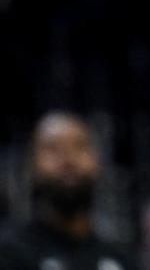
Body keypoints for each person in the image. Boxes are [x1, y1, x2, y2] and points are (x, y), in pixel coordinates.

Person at [0, 112, 137, 270]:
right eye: (53, 148)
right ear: (31, 167)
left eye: (79, 146)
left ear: (97, 162)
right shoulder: (11, 254)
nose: (68, 159)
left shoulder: (122, 257)